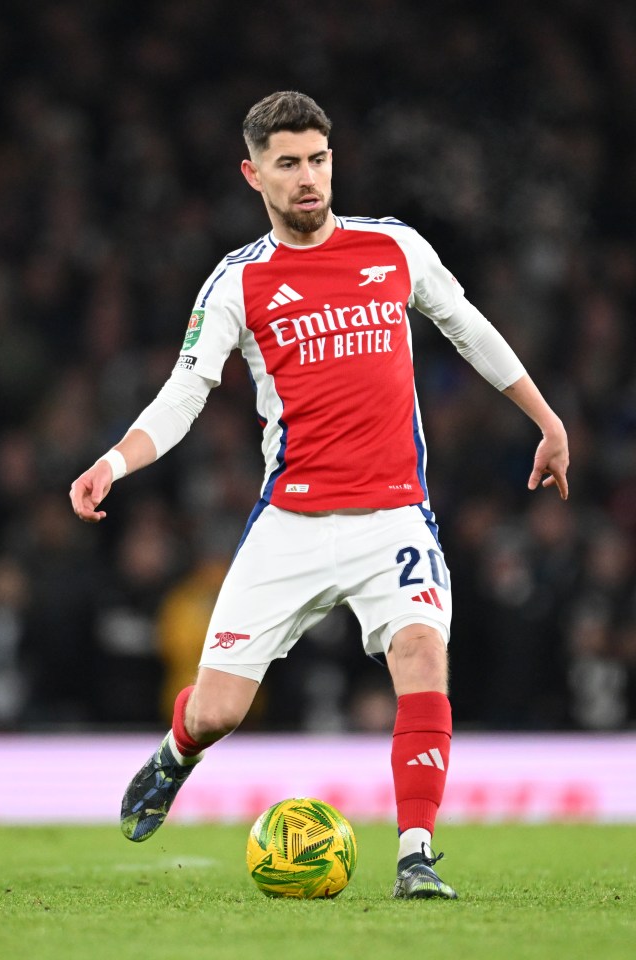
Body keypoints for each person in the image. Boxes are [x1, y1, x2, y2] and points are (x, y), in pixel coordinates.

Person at [70, 91, 569, 900]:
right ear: (253, 173)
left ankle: (415, 855)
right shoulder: (239, 282)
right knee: (218, 712)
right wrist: (115, 463)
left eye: (319, 159)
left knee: (423, 655)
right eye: (289, 164)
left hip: (393, 515)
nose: (309, 178)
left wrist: (546, 420)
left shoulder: (394, 248)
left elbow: (468, 326)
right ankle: (175, 754)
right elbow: (184, 391)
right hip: (291, 524)